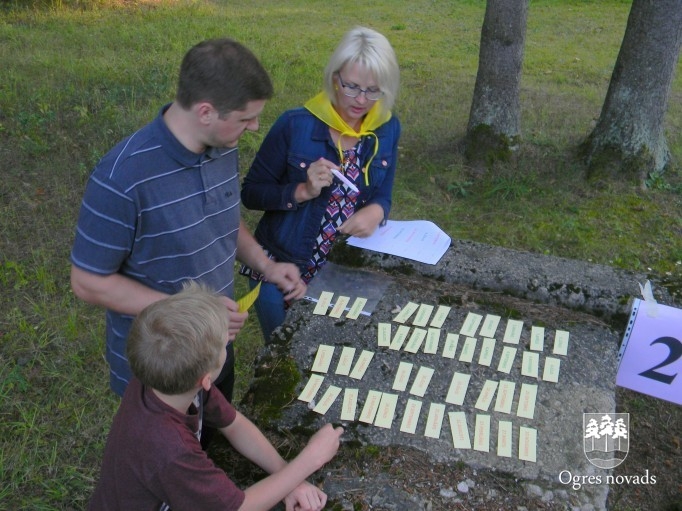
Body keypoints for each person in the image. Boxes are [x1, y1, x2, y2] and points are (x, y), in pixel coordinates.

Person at [70, 38, 307, 402]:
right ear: (206, 112)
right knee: (170, 456)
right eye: (246, 118)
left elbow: (221, 218)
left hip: (215, 349)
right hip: (160, 368)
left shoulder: (222, 147)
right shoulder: (121, 179)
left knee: (214, 444)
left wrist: (266, 265)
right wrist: (194, 312)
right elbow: (88, 283)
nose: (256, 127)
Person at [87, 282, 343, 511]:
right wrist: (311, 458)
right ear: (206, 378)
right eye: (225, 344)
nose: (230, 340)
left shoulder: (165, 379)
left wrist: (288, 478)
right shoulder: (171, 450)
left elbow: (234, 424)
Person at [240, 26, 401, 341]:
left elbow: (384, 192)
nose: (361, 100)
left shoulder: (387, 128)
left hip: (343, 271)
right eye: (351, 86)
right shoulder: (296, 125)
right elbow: (251, 193)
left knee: (331, 356)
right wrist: (302, 190)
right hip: (281, 266)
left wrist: (377, 212)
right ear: (334, 78)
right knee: (284, 355)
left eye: (373, 90)